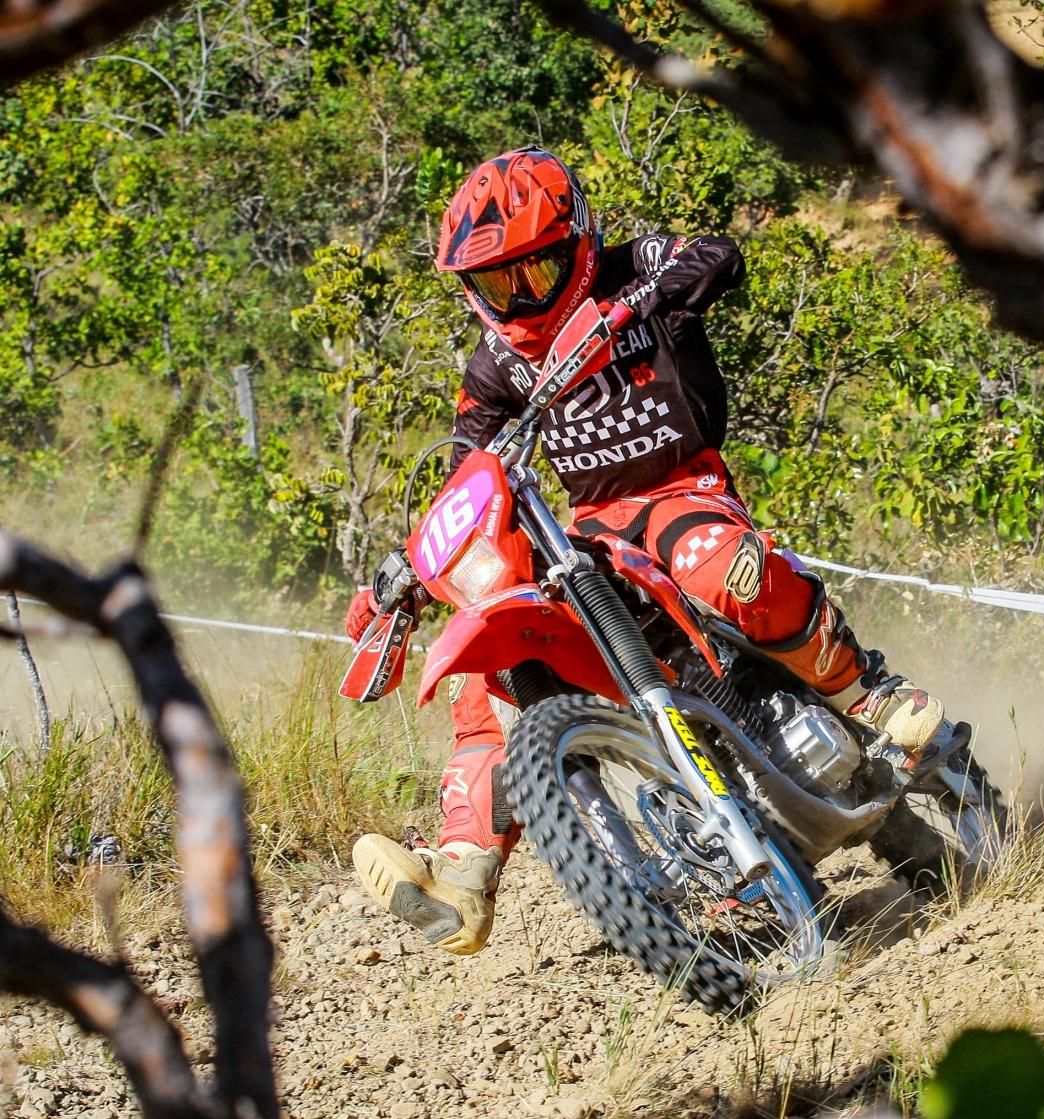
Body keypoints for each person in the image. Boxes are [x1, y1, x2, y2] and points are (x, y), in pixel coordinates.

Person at [348, 146, 945, 956]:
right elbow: (466, 473)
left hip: (680, 488)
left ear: (579, 241)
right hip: (589, 527)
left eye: (536, 271)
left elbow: (716, 256)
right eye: (497, 283)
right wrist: (407, 568)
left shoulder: (632, 269)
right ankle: (462, 875)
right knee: (490, 672)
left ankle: (866, 690)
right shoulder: (495, 368)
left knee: (716, 562)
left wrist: (649, 298)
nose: (520, 297)